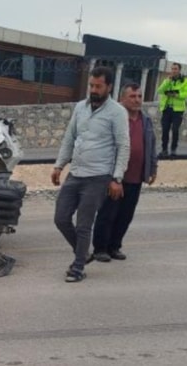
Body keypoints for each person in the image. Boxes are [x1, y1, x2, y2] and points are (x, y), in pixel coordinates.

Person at [51, 66, 130, 283]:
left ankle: (77, 268)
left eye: (98, 86)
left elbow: (123, 146)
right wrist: (59, 165)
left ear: (109, 87)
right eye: (91, 85)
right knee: (61, 218)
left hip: (98, 177)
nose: (94, 90)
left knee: (84, 224)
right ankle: (83, 253)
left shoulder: (117, 112)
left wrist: (117, 178)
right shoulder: (80, 108)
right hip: (75, 173)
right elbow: (69, 138)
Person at [91, 83, 158, 263]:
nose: (137, 100)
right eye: (132, 96)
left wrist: (152, 168)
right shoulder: (114, 118)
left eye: (139, 96)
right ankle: (100, 248)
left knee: (126, 215)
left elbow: (151, 144)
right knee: (108, 213)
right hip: (114, 177)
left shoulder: (145, 120)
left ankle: (115, 246)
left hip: (136, 177)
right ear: (122, 99)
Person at [157, 62, 187, 157]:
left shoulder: (185, 81)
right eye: (172, 69)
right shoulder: (168, 80)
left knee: (175, 129)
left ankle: (173, 149)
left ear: (179, 70)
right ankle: (164, 149)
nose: (173, 71)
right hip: (167, 108)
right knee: (165, 130)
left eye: (175, 69)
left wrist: (177, 95)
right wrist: (168, 81)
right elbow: (160, 90)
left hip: (178, 109)